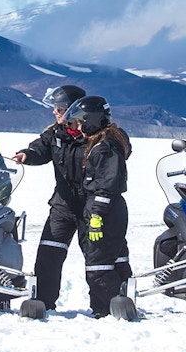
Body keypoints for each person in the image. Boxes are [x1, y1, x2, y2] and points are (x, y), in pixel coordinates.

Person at [12, 85, 87, 310]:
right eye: (55, 107)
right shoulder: (55, 133)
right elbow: (40, 148)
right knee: (48, 255)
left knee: (98, 259)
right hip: (62, 205)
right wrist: (27, 154)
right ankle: (43, 302)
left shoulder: (95, 135)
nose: (55, 112)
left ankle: (106, 305)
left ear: (75, 110)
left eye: (60, 108)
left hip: (91, 207)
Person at [63, 95, 132, 318]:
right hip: (109, 210)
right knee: (116, 260)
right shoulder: (105, 143)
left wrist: (96, 216)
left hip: (105, 211)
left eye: (81, 123)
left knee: (98, 267)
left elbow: (108, 185)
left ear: (91, 120)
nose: (80, 129)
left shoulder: (105, 148)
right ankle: (117, 305)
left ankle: (111, 308)